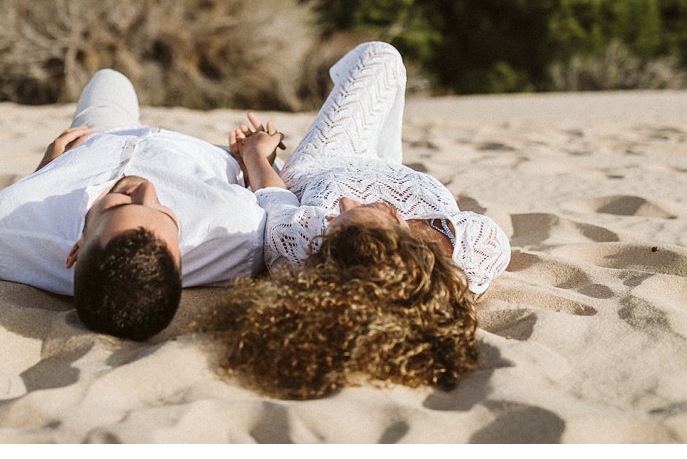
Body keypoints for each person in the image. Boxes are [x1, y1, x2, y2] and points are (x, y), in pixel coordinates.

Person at [200, 41, 511, 399]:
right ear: (399, 222)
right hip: (392, 168)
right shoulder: (478, 246)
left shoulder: (308, 246)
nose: (347, 202)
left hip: (323, 162)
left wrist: (256, 155)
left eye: (337, 215)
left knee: (379, 56)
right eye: (361, 210)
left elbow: (275, 199)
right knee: (386, 64)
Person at [0, 68, 266, 342]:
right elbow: (275, 199)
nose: (146, 190)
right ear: (181, 265)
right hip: (198, 153)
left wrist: (45, 171)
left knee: (109, 77)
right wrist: (255, 157)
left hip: (102, 135)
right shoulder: (239, 234)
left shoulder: (1, 227)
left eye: (118, 206)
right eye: (164, 212)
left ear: (77, 249)